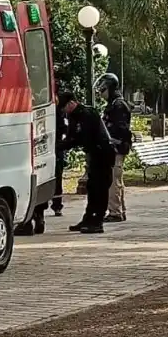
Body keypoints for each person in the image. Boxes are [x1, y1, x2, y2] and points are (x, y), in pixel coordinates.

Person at [57, 91, 116, 233]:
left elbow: (82, 137)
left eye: (64, 107)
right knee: (92, 187)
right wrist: (58, 146)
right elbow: (72, 137)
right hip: (93, 154)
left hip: (103, 153)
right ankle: (88, 217)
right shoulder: (73, 116)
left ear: (72, 103)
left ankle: (97, 221)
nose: (64, 111)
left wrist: (65, 144)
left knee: (100, 188)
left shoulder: (88, 113)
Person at [95, 73, 132, 222]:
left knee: (113, 182)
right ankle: (119, 210)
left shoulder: (118, 105)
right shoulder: (115, 104)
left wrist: (110, 137)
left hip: (117, 148)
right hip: (116, 148)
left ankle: (115, 212)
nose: (101, 91)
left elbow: (120, 129)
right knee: (116, 180)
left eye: (103, 88)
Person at [51, 96, 69, 217]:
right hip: (57, 146)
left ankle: (57, 205)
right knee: (57, 177)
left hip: (56, 146)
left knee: (57, 176)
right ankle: (57, 206)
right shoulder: (59, 113)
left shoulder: (59, 113)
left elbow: (65, 128)